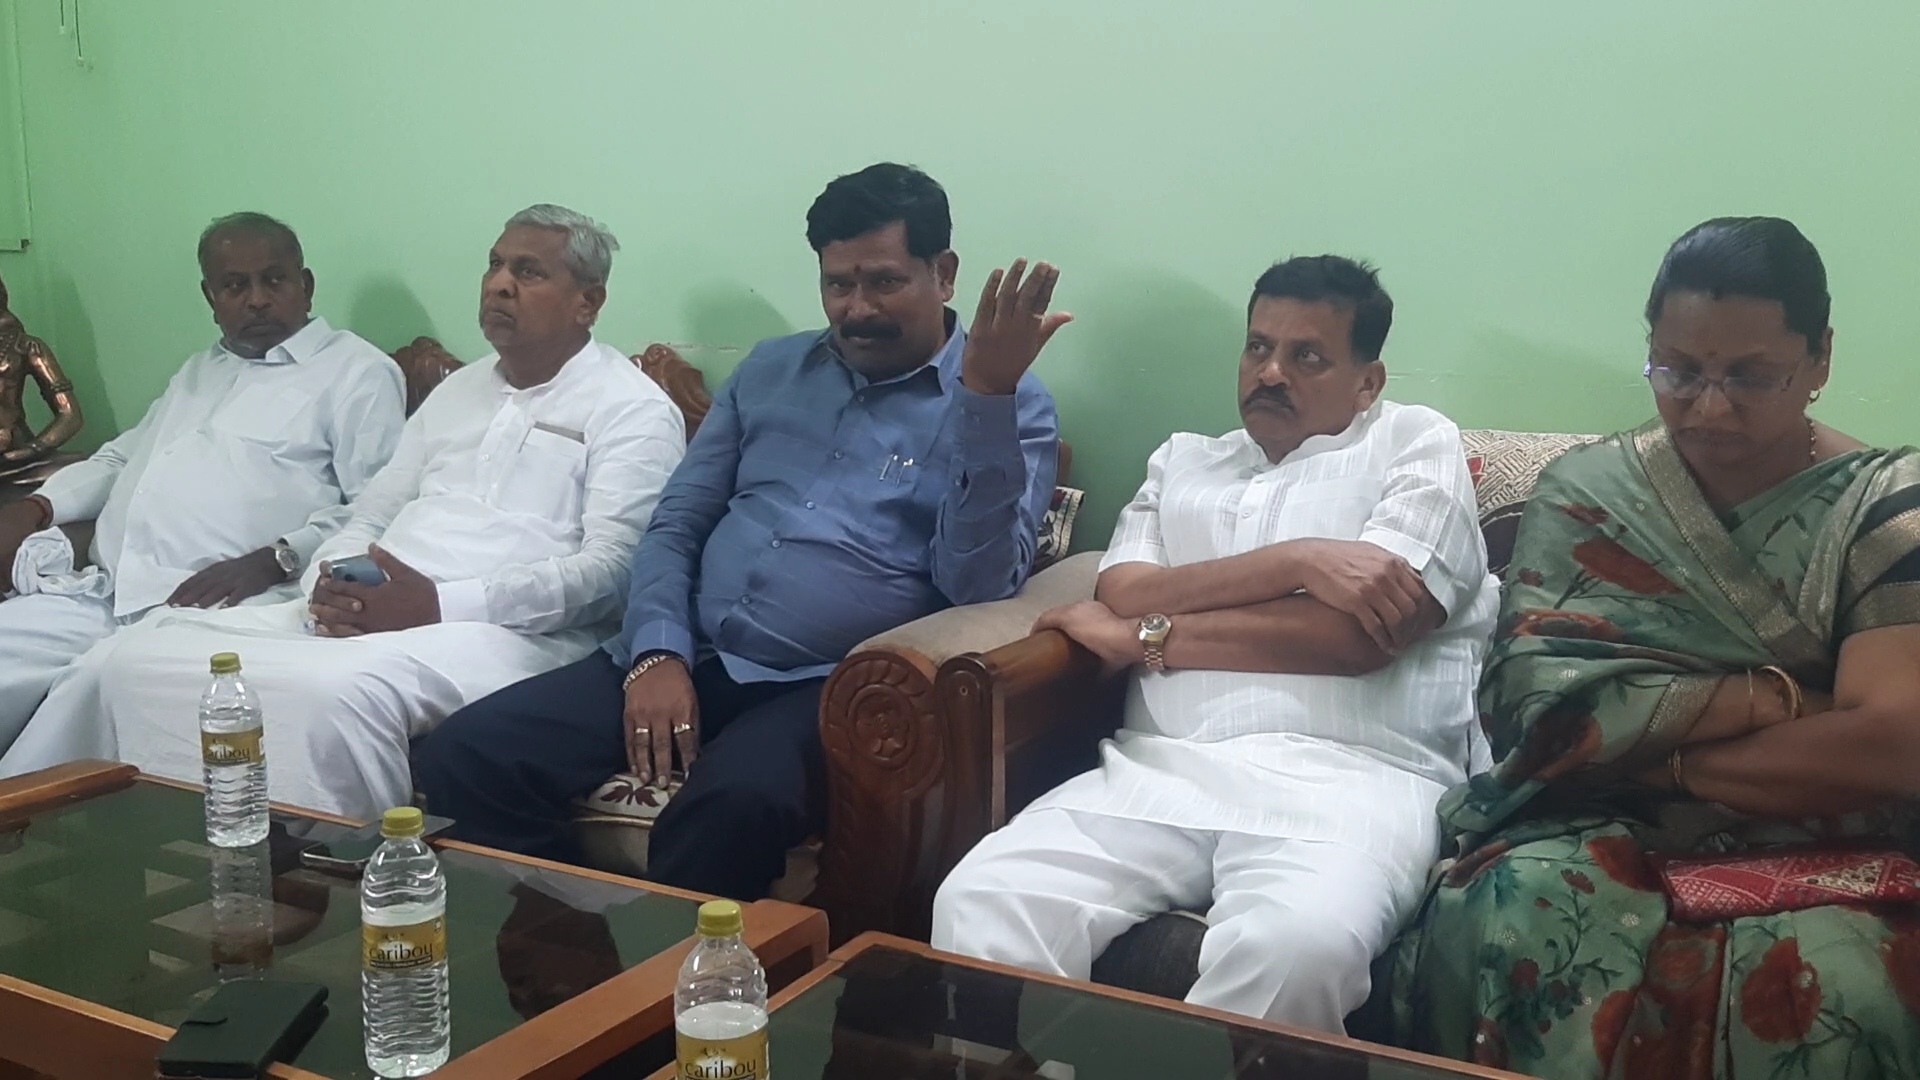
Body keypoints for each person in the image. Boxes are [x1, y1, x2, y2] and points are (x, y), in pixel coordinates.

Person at [413, 162, 1063, 900]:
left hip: (821, 686)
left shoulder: (1014, 407)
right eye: (838, 284)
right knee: (468, 755)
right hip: (691, 648)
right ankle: (568, 942)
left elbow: (979, 586)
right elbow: (677, 523)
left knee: (732, 809)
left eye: (884, 282)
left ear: (942, 274)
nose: (857, 308)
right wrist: (657, 652)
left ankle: (678, 976)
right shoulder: (771, 370)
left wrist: (986, 398)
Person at [1388, 217, 1920, 1078]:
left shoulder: (1886, 506)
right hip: (1599, 824)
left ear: (1820, 358)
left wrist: (1657, 756)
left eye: (1750, 376)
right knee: (1510, 909)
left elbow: (1891, 746)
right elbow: (1539, 712)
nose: (1709, 406)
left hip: (1824, 844)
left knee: (1838, 990)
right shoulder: (1587, 494)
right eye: (1678, 371)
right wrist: (1786, 700)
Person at [933, 255, 1498, 1031]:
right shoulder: (1184, 461)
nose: (1270, 372)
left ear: (1368, 382)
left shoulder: (1415, 443)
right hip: (1158, 772)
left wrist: (1141, 642)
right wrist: (1299, 562)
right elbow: (1125, 588)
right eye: (1258, 346)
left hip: (1350, 787)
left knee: (1295, 948)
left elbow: (1355, 638)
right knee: (980, 900)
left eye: (1307, 356)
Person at [8, 204, 686, 818]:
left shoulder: (630, 408)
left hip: (508, 631)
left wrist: (438, 604)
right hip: (375, 608)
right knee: (134, 658)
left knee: (330, 694)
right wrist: (332, 582)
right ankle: (123, 840)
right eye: (495, 265)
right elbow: (370, 513)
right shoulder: (459, 392)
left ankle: (330, 877)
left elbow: (615, 572)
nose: (499, 285)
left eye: (528, 272)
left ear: (588, 301)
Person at [0, 212, 405, 764]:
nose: (257, 300)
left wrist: (277, 557)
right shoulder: (200, 370)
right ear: (210, 297)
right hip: (105, 592)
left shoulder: (356, 373)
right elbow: (121, 457)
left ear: (306, 285)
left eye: (274, 280)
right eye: (235, 286)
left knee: (85, 700)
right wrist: (38, 506)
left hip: (216, 610)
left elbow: (376, 510)